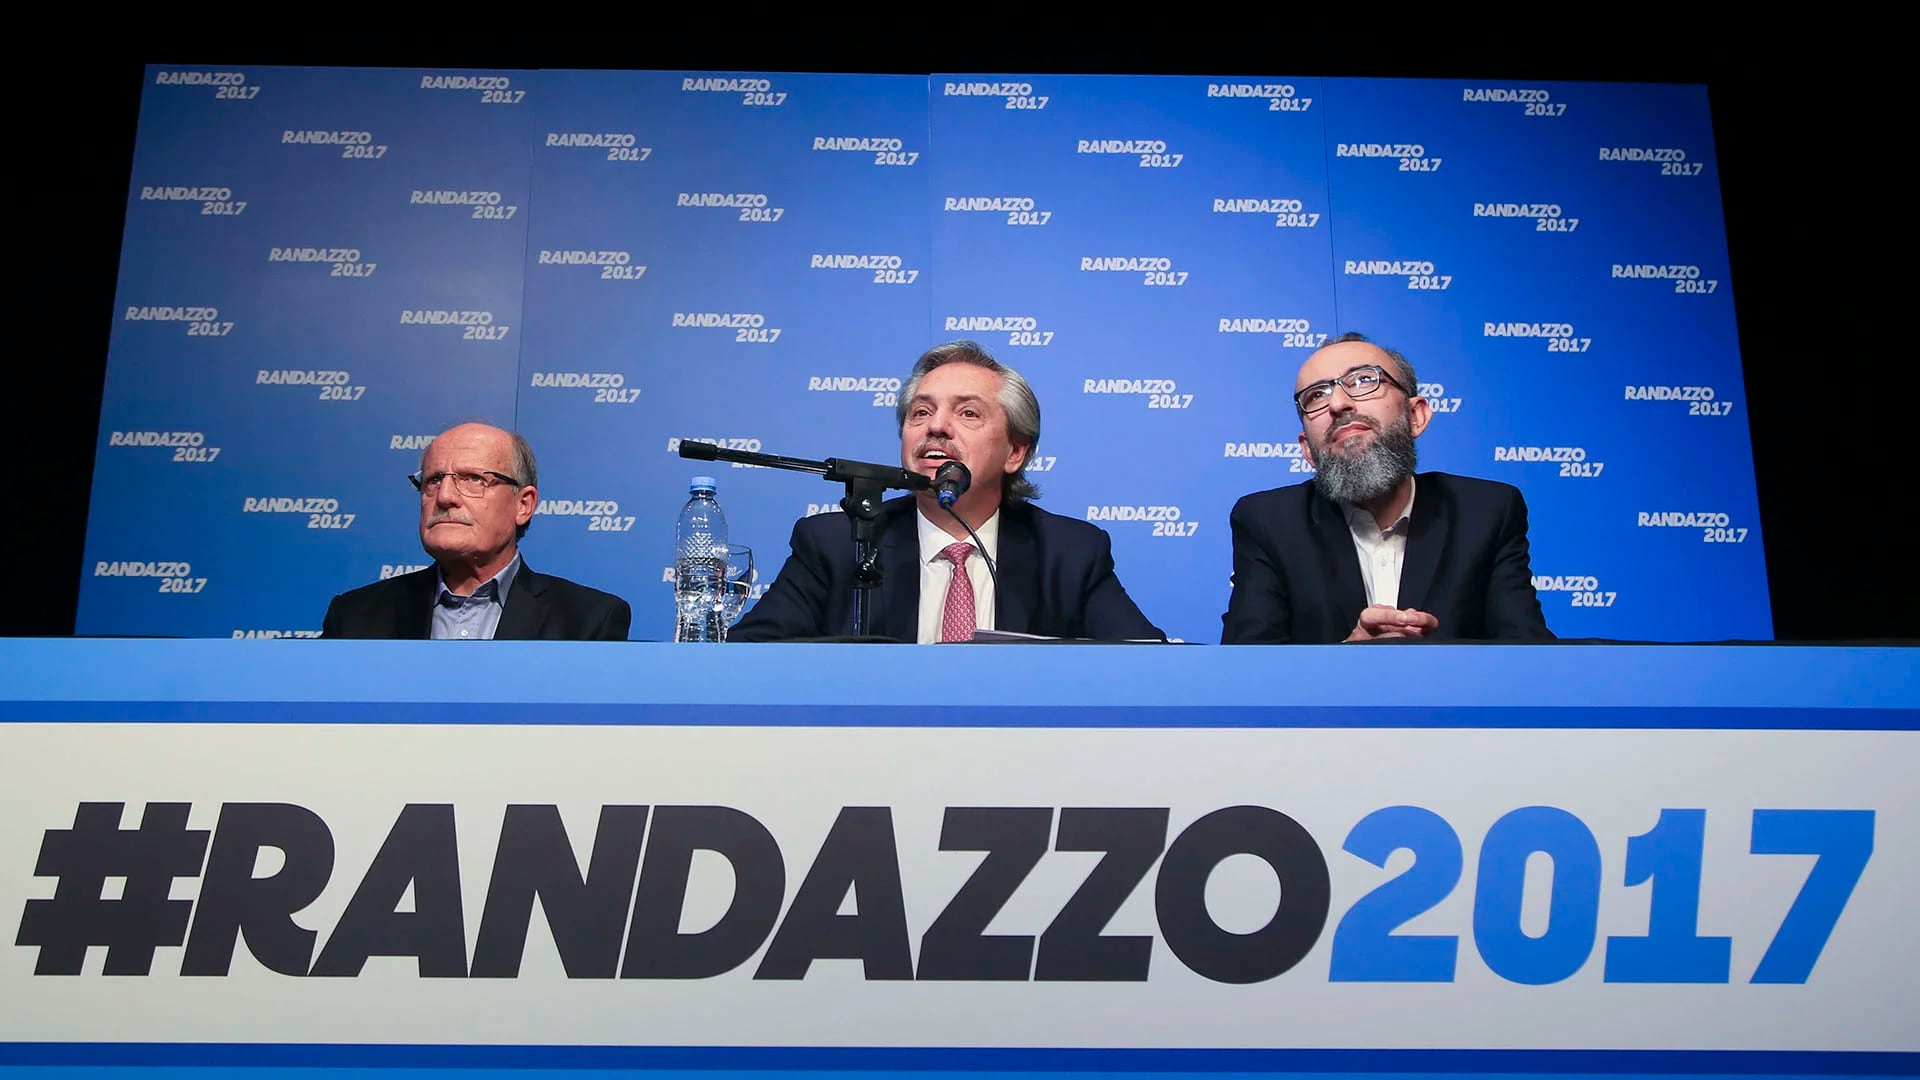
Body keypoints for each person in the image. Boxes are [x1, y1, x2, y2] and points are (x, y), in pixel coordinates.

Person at [733, 341, 1164, 642]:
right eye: (920, 412)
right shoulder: (835, 545)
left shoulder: (1068, 552)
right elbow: (750, 658)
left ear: (1015, 451)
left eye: (968, 412)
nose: (936, 426)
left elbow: (1145, 667)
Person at [1221, 333, 1552, 643]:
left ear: (1416, 415)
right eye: (1316, 395)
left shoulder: (1486, 511)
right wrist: (1351, 658)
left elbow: (1528, 660)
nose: (1338, 403)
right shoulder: (1268, 522)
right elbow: (1247, 676)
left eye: (1365, 380)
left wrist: (1435, 662)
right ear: (1308, 449)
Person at [320, 422, 631, 640]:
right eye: (433, 480)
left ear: (523, 504)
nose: (445, 497)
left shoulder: (588, 621)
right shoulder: (355, 618)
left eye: (472, 479)